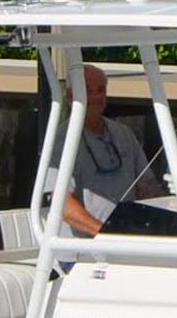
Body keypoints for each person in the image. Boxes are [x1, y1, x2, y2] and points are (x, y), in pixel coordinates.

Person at [53, 65, 154, 236]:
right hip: (84, 246)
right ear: (70, 96)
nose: (96, 97)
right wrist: (106, 234)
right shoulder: (62, 140)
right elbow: (62, 204)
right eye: (88, 91)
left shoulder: (123, 133)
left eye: (101, 90)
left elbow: (147, 186)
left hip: (128, 238)